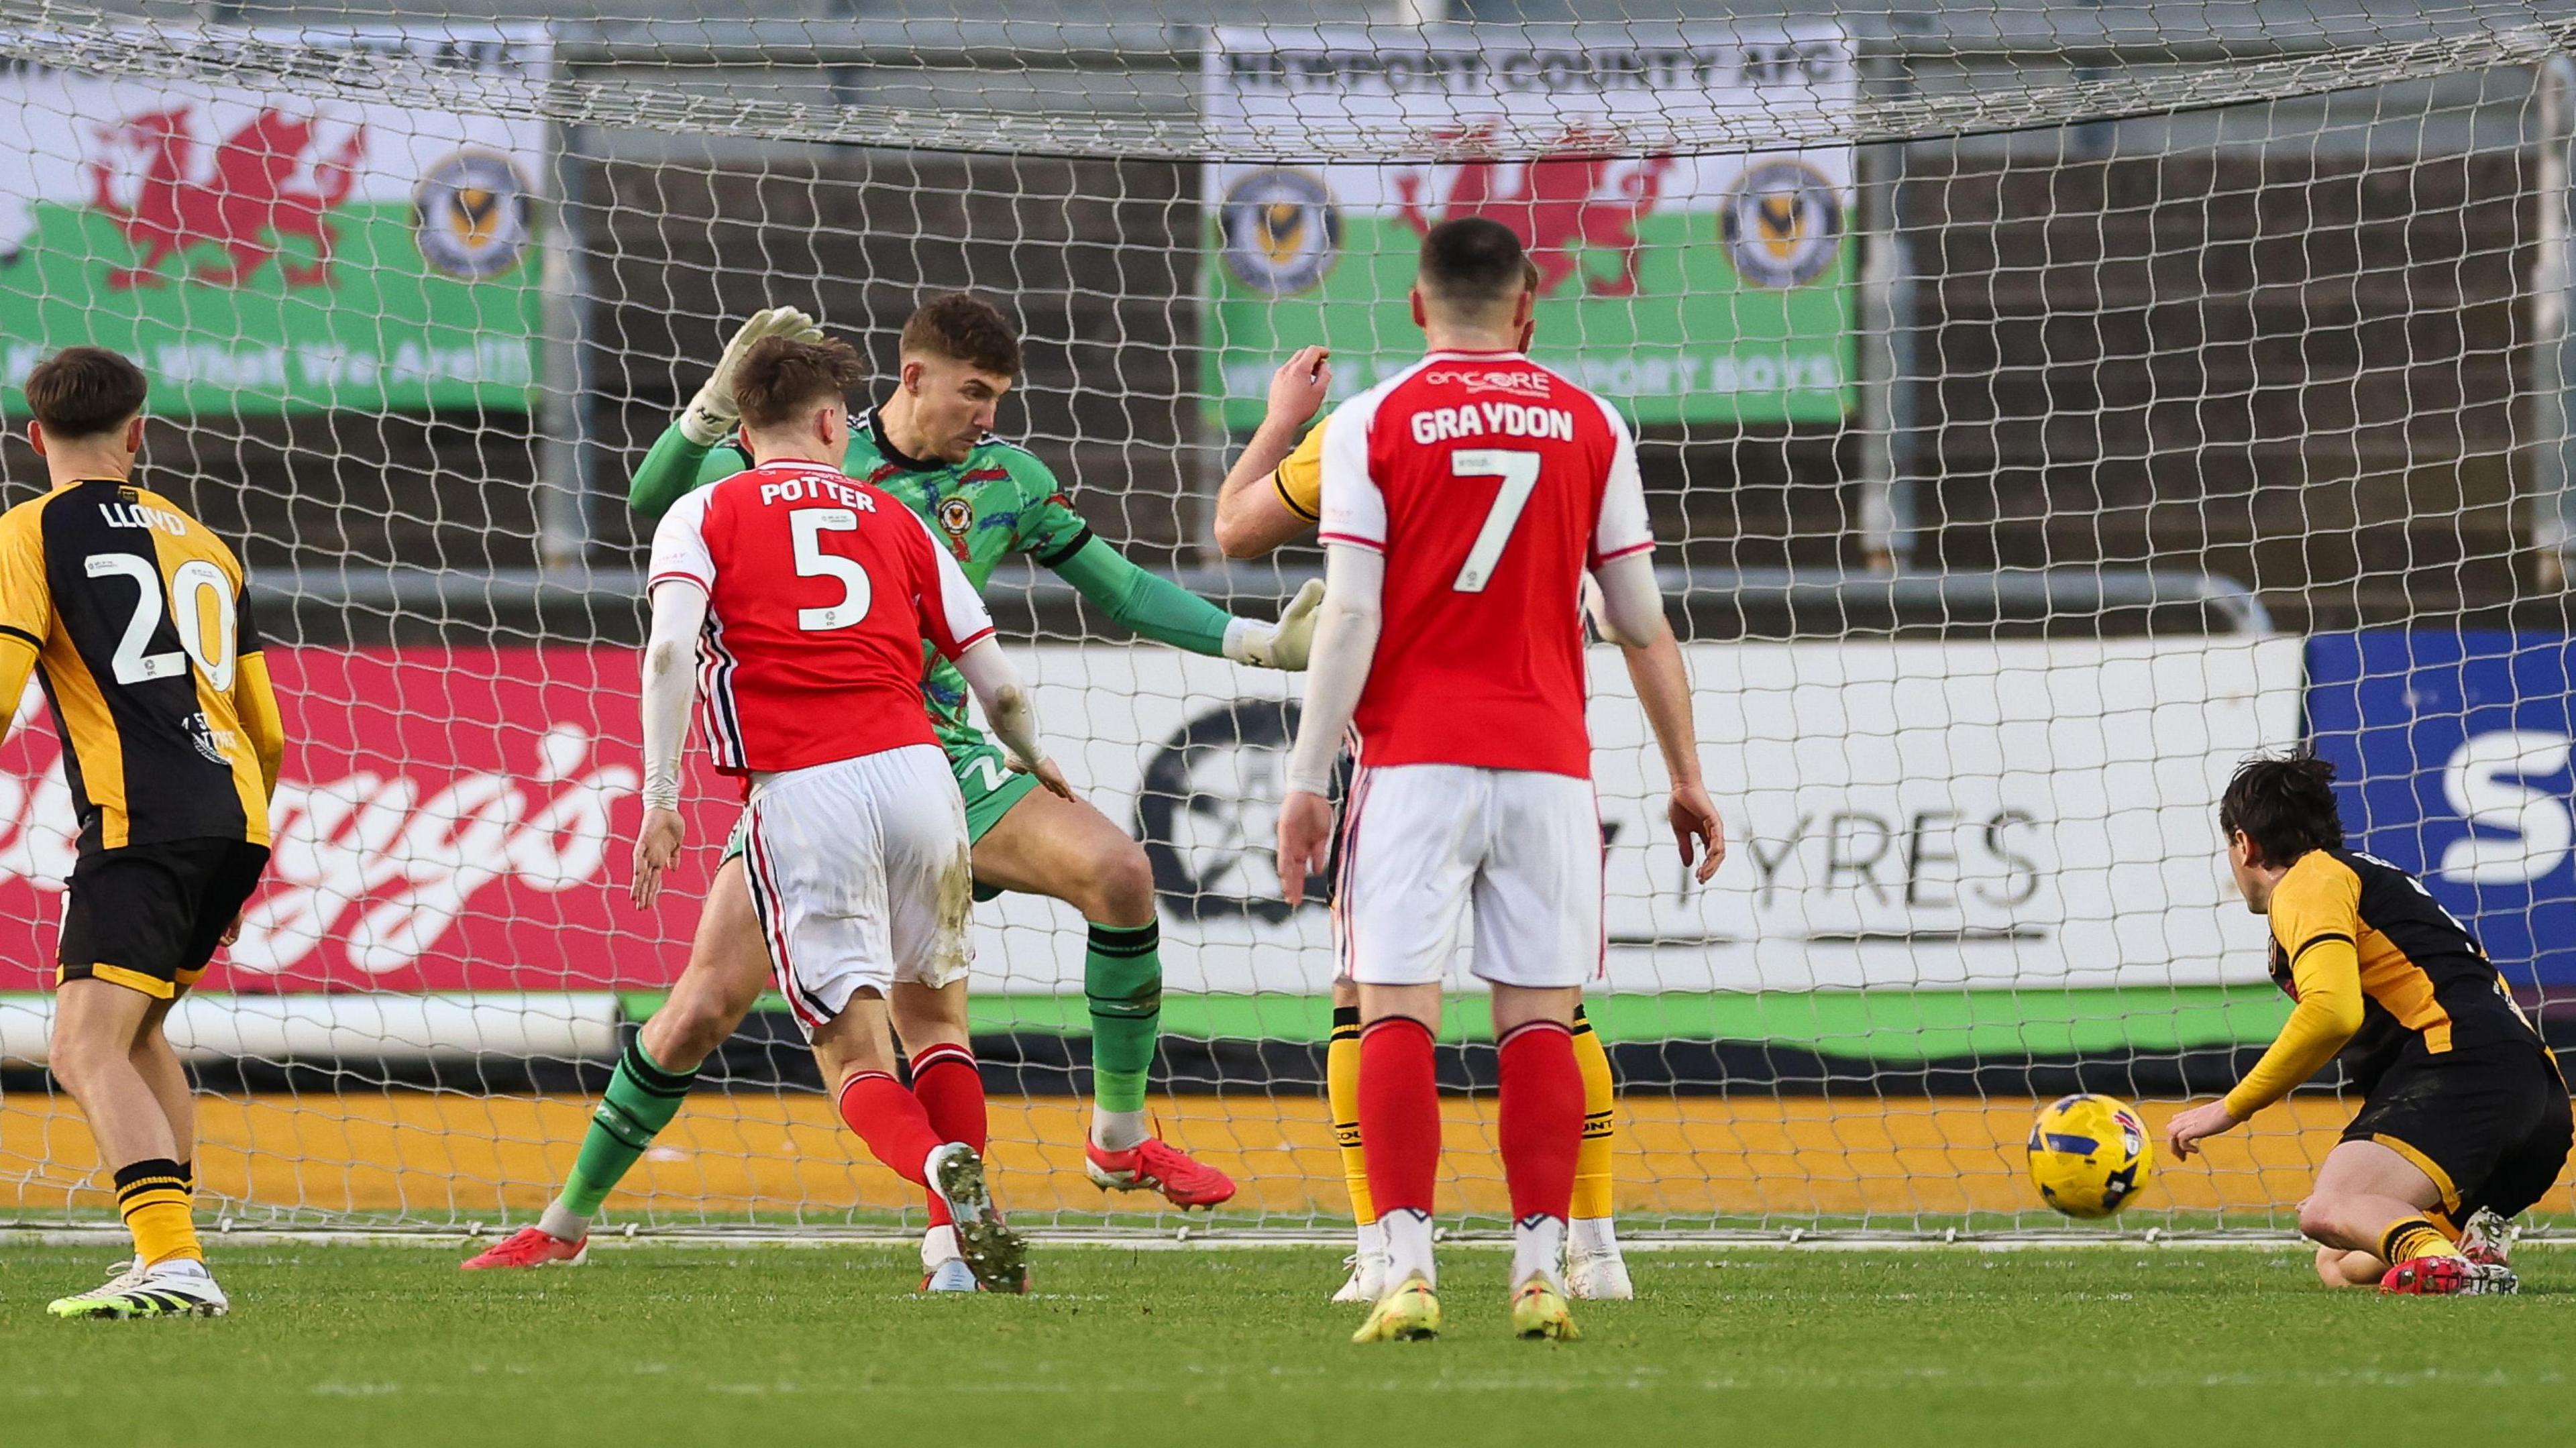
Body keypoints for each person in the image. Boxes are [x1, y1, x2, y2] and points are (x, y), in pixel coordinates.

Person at [467, 296, 1316, 1280]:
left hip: (919, 753)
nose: (987, 414)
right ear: (907, 381)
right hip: (890, 764)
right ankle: (566, 1221)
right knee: (702, 1008)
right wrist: (707, 411)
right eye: (973, 392)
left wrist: (1252, 642)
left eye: (997, 396)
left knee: (1117, 874)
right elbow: (658, 494)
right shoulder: (828, 467)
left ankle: (1101, 1146)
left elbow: (1123, 590)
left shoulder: (1007, 478)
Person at [1211, 327, 1721, 1304]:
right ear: (1526, 316)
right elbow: (1636, 618)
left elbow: (1234, 530)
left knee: (1374, 998)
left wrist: (1281, 422)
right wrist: (1686, 769)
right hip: (1543, 743)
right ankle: (1590, 1247)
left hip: (1409, 748)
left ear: (1418, 307)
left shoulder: (1369, 426)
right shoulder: (1583, 426)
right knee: (1551, 1004)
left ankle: (1386, 1251)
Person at [630, 333, 1064, 1292]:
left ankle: (938, 1171)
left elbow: (667, 656)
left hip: (803, 790)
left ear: (742, 431)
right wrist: (1037, 760)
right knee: (940, 1022)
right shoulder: (891, 512)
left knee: (851, 1048)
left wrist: (662, 799)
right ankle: (953, 1257)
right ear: (834, 422)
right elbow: (991, 672)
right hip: (922, 778)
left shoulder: (700, 511)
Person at [1, 347, 284, 1319]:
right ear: (139, 434)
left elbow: (3, 686)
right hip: (235, 812)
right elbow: (271, 728)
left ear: (34, 437)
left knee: (82, 1046)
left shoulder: (28, 531)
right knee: (142, 1028)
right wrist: (243, 852)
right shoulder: (207, 543)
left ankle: (173, 1261)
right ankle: (171, 1249)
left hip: (142, 816)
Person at [2165, 752, 2571, 1296]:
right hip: (2537, 1101)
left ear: (2244, 844)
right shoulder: (2363, 875)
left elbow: (2332, 1011)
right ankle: (2471, 1243)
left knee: (2329, 1206)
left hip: (2461, 1068)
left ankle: (2443, 1262)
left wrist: (2230, 1107)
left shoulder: (2308, 881)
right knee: (2339, 1261)